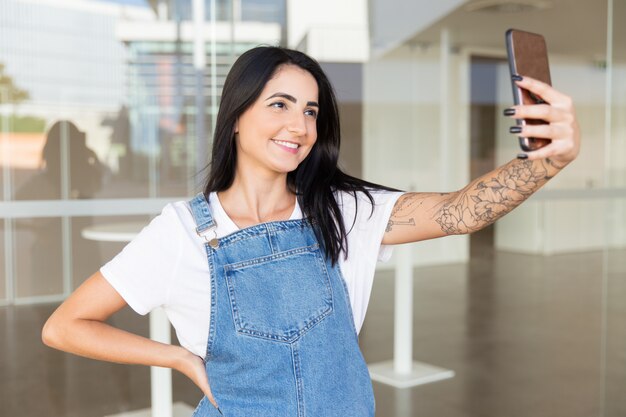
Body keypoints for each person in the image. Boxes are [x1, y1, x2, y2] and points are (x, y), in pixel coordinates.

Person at [42, 46, 580, 416]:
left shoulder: (341, 211)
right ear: (236, 114)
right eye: (279, 105)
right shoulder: (182, 232)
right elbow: (65, 325)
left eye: (311, 111)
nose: (299, 126)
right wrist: (178, 358)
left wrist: (546, 162)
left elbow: (462, 211)